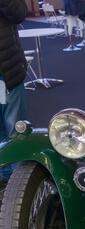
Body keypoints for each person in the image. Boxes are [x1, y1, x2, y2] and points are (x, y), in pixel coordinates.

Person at [0, 0, 27, 182]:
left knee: (15, 129)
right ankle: (4, 175)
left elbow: (20, 13)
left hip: (7, 70)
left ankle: (20, 180)